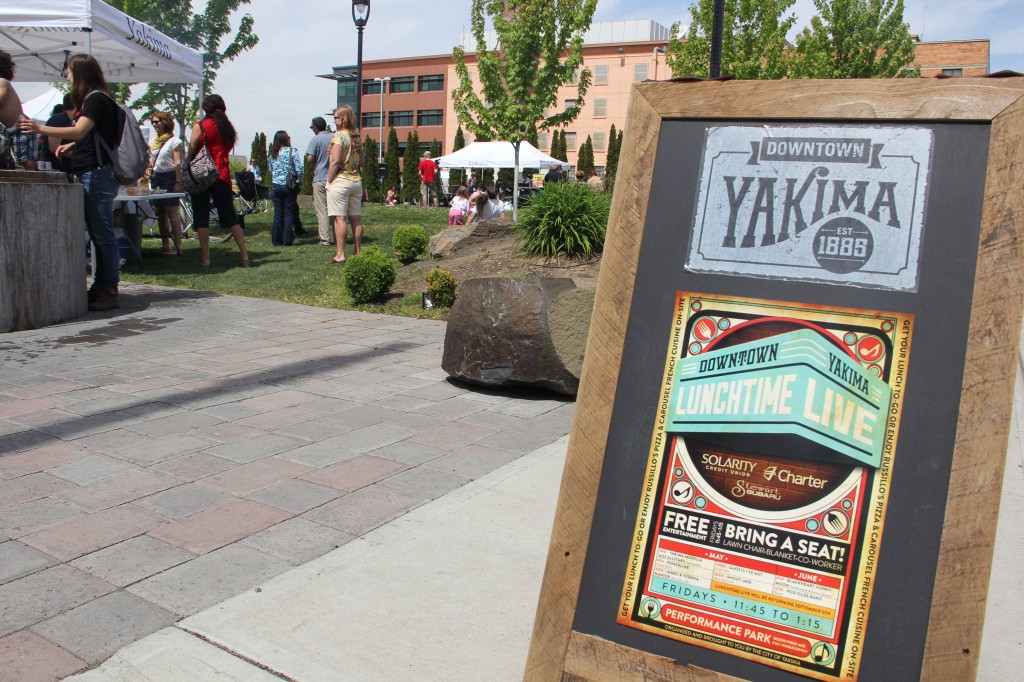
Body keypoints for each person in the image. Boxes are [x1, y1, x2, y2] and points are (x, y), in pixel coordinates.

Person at [20, 54, 124, 310]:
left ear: (79, 73)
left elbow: (80, 130)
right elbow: (89, 136)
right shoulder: (100, 98)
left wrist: (39, 129)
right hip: (96, 173)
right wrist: (73, 148)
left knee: (102, 234)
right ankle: (102, 286)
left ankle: (108, 288)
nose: (66, 76)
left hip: (97, 174)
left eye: (68, 71)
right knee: (99, 234)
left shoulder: (95, 99)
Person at [185, 94, 248, 268]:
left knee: (201, 215)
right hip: (222, 174)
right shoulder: (227, 128)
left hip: (203, 174)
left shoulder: (201, 126)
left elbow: (191, 151)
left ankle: (206, 258)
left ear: (206, 108)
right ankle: (244, 255)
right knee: (230, 216)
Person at [326, 105, 364, 264]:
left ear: (343, 119)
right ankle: (357, 251)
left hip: (341, 180)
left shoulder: (339, 135)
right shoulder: (356, 137)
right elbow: (362, 161)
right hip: (356, 180)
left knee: (340, 218)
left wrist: (329, 180)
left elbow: (335, 162)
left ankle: (340, 254)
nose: (334, 120)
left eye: (336, 117)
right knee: (356, 219)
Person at [146, 110, 184, 255]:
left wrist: (177, 181)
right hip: (157, 176)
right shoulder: (153, 142)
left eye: (157, 121)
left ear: (165, 122)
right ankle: (165, 245)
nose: (154, 124)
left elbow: (177, 162)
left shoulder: (174, 141)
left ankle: (178, 245)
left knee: (172, 212)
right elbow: (151, 161)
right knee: (160, 213)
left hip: (170, 176)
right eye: (153, 122)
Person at [268, 130, 303, 246]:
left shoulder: (273, 153)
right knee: (289, 213)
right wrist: (299, 180)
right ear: (285, 139)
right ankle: (287, 240)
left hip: (276, 185)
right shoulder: (291, 151)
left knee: (278, 214)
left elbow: (270, 170)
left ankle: (276, 240)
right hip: (288, 185)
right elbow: (299, 168)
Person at [305, 116, 334, 246]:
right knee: (335, 209)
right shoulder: (334, 137)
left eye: (312, 127)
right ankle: (338, 236)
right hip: (334, 178)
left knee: (322, 210)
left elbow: (310, 158)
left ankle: (325, 239)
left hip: (320, 177)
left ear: (315, 128)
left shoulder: (316, 139)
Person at [41, 95, 75, 174]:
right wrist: (83, 156)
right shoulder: (58, 119)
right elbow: (54, 149)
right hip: (59, 170)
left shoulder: (72, 121)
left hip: (69, 169)